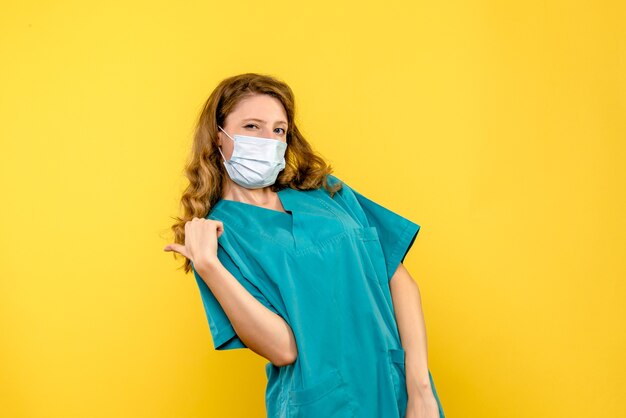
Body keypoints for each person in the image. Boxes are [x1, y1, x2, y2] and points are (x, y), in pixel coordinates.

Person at [164, 73, 445, 418]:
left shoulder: (326, 192)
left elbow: (399, 280)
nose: (268, 139)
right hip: (322, 405)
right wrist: (208, 266)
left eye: (278, 130)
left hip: (397, 389)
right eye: (252, 126)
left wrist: (420, 390)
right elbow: (282, 349)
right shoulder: (217, 236)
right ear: (218, 137)